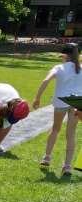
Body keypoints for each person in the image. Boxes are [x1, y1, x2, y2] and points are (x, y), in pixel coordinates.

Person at [32, 42, 81, 177]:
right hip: (77, 102)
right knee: (71, 134)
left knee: (55, 129)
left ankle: (47, 157)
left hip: (61, 101)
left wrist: (37, 98)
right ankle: (67, 166)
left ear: (63, 55)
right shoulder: (81, 68)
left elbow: (45, 80)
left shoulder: (59, 67)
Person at [0, 83, 30, 156]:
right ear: (10, 109)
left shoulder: (18, 105)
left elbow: (7, 124)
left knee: (6, 123)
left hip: (4, 95)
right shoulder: (1, 103)